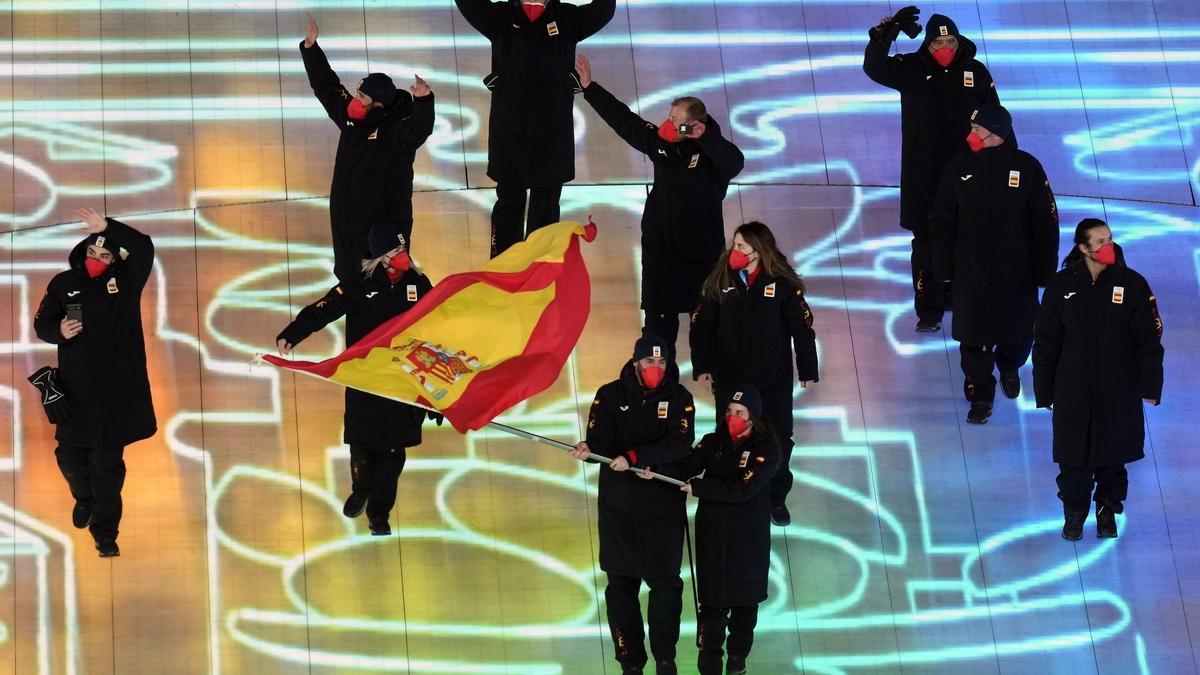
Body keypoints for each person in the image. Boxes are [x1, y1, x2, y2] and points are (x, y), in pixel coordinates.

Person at [574, 54, 745, 362]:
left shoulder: (714, 156)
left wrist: (706, 139)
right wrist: (590, 88)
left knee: (707, 329)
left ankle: (713, 378)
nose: (668, 123)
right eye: (669, 116)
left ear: (694, 125)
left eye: (675, 120)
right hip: (661, 254)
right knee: (656, 333)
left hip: (701, 256)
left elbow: (735, 163)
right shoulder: (662, 145)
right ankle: (661, 384)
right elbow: (626, 122)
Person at [275, 218, 439, 535]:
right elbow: (323, 309)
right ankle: (360, 489)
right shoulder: (359, 284)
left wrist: (436, 393)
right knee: (363, 445)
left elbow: (437, 329)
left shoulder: (418, 285)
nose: (402, 255)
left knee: (392, 455)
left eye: (403, 248)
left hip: (403, 382)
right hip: (366, 378)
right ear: (379, 255)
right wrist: (293, 333)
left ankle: (379, 516)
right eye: (395, 250)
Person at [863, 7, 1001, 333]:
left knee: (966, 238)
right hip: (923, 175)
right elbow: (874, 67)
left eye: (951, 42)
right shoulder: (911, 68)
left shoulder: (975, 72)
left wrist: (1002, 162)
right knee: (926, 243)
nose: (945, 48)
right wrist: (885, 36)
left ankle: (958, 296)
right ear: (927, 45)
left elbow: (996, 119)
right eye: (938, 43)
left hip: (968, 173)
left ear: (958, 42)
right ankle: (929, 310)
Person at [32, 208, 157, 558]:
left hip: (115, 395)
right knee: (69, 459)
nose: (96, 259)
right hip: (75, 392)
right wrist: (58, 330)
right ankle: (83, 498)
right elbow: (42, 325)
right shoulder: (63, 284)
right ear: (82, 252)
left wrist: (107, 227)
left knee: (107, 471)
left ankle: (105, 536)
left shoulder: (127, 282)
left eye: (104, 255)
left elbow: (144, 248)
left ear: (115, 260)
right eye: (92, 252)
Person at [570, 334, 696, 675]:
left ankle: (665, 658)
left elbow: (679, 444)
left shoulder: (680, 398)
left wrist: (636, 457)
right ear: (636, 361)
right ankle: (630, 661)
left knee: (665, 586)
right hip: (619, 508)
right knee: (621, 589)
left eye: (662, 362)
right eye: (649, 361)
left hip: (662, 507)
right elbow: (600, 443)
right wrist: (588, 450)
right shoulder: (609, 395)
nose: (656, 367)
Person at [1033, 219, 1164, 540]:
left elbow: (1148, 339)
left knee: (1113, 458)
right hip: (1072, 390)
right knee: (1073, 462)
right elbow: (1046, 341)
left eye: (1110, 238)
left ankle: (1107, 510)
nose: (1109, 245)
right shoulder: (1061, 287)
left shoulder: (1132, 285)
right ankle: (1074, 514)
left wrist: (1150, 384)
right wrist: (1044, 391)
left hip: (1118, 389)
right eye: (1101, 240)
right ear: (1083, 247)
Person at [930, 103, 1059, 425]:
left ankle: (1010, 366)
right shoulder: (958, 168)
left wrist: (1045, 270)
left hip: (1017, 274)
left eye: (977, 130)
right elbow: (943, 222)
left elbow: (1045, 222)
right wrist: (942, 270)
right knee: (973, 339)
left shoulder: (1027, 168)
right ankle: (980, 393)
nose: (970, 135)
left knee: (1020, 334)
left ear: (996, 133)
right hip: (970, 274)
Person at [454, 0, 615, 257]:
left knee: (546, 210)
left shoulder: (567, 17)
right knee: (508, 206)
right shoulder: (501, 15)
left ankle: (541, 275)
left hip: (552, 135)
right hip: (509, 133)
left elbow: (603, 10)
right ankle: (504, 273)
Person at [689, 222, 816, 527]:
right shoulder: (720, 280)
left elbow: (802, 329)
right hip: (731, 379)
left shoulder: (782, 285)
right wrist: (702, 366)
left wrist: (807, 368)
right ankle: (729, 491)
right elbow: (702, 327)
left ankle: (775, 497)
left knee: (778, 439)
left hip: (773, 381)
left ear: (758, 251)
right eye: (735, 245)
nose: (735, 251)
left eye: (742, 246)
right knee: (729, 436)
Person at [652, 384, 778, 675]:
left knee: (745, 606)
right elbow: (684, 468)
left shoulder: (766, 450)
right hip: (712, 538)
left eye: (740, 412)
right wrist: (653, 470)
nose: (733, 416)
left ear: (753, 416)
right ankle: (709, 665)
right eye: (729, 411)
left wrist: (700, 487)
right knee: (711, 608)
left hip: (748, 541)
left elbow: (743, 488)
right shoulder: (712, 443)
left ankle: (737, 661)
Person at [300, 17, 436, 281]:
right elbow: (328, 87)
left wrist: (423, 101)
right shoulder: (353, 121)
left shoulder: (394, 133)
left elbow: (419, 129)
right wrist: (311, 49)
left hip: (382, 239)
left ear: (378, 104)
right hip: (347, 232)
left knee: (383, 294)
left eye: (362, 97)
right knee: (350, 286)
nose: (355, 100)